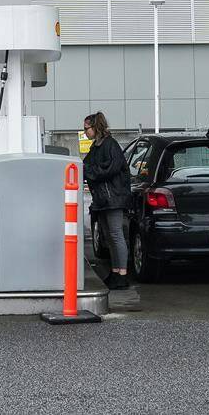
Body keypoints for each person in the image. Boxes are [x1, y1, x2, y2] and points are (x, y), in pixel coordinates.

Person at [83, 111, 132, 289]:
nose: (85, 132)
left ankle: (122, 274)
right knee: (110, 237)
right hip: (104, 199)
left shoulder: (110, 145)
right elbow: (86, 166)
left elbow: (108, 169)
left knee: (116, 235)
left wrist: (88, 171)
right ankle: (116, 271)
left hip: (112, 198)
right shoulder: (97, 146)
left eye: (86, 128)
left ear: (96, 127)